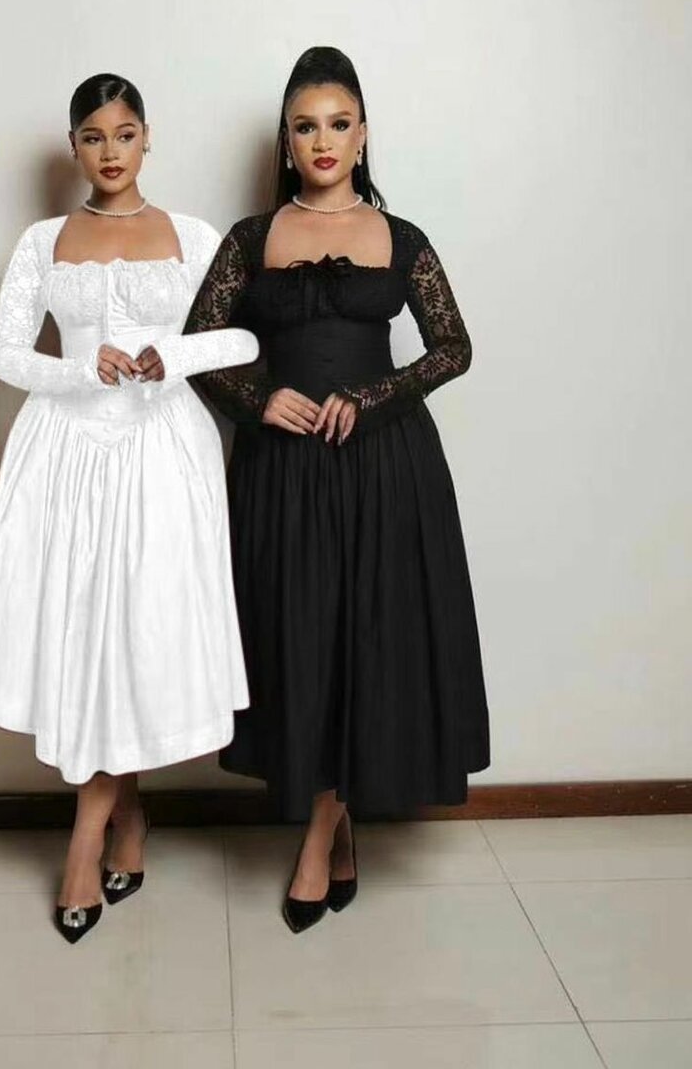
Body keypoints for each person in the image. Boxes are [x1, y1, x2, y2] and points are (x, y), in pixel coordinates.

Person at [182, 47, 490, 933]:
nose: (323, 140)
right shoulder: (250, 238)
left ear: (363, 134)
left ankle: (318, 837)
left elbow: (453, 347)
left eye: (339, 123)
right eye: (305, 126)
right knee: (303, 642)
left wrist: (374, 395)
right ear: (286, 141)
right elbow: (199, 348)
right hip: (283, 470)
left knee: (369, 641)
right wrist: (258, 399)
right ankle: (336, 823)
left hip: (385, 468)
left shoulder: (403, 239)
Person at [0, 73, 257, 943]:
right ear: (74, 148)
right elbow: (5, 353)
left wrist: (174, 354)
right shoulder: (42, 241)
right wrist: (78, 368)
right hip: (65, 450)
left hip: (164, 451)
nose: (111, 151)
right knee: (85, 633)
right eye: (93, 136)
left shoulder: (195, 236)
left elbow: (247, 337)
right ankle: (125, 819)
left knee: (137, 630)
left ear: (147, 137)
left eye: (125, 133)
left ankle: (86, 837)